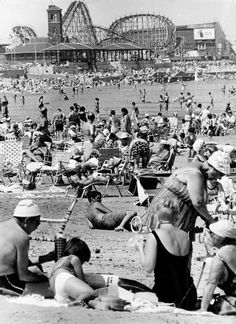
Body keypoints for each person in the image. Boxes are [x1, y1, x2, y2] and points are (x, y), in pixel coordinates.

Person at [146, 150, 231, 240]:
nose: (220, 178)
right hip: (166, 216)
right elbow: (198, 203)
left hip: (170, 215)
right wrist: (211, 221)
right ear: (213, 168)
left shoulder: (197, 167)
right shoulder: (195, 173)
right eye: (221, 174)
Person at [135, 195, 197, 310]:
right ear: (177, 215)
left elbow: (148, 268)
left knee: (135, 294)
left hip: (165, 295)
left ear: (157, 214)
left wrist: (140, 248)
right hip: (189, 295)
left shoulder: (154, 236)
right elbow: (187, 267)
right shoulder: (186, 236)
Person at [0, 200, 54, 295]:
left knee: (37, 267)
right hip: (6, 282)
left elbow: (16, 262)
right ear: (27, 220)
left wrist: (48, 257)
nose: (38, 226)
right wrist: (46, 277)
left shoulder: (3, 226)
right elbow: (24, 276)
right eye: (37, 222)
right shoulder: (22, 236)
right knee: (58, 289)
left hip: (4, 275)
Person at [201, 220, 236, 313]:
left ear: (222, 238)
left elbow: (211, 284)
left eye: (213, 233)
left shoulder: (221, 254)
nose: (210, 235)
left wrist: (202, 310)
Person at [49, 237, 95, 305]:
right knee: (91, 293)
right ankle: (76, 303)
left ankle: (75, 302)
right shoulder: (74, 258)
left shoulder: (56, 264)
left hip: (57, 291)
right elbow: (82, 281)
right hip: (64, 278)